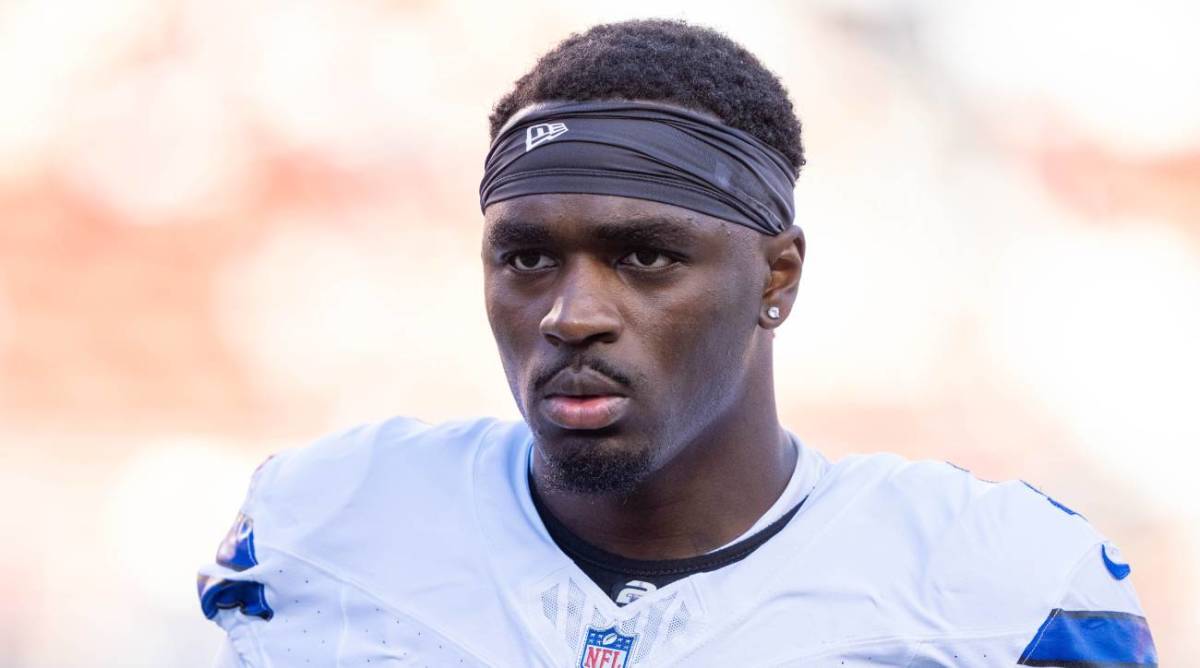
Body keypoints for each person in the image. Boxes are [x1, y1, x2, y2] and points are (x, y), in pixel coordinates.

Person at [197, 19, 1157, 667]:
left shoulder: (995, 586)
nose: (572, 314)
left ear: (775, 278)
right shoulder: (330, 527)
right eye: (527, 258)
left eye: (646, 257)